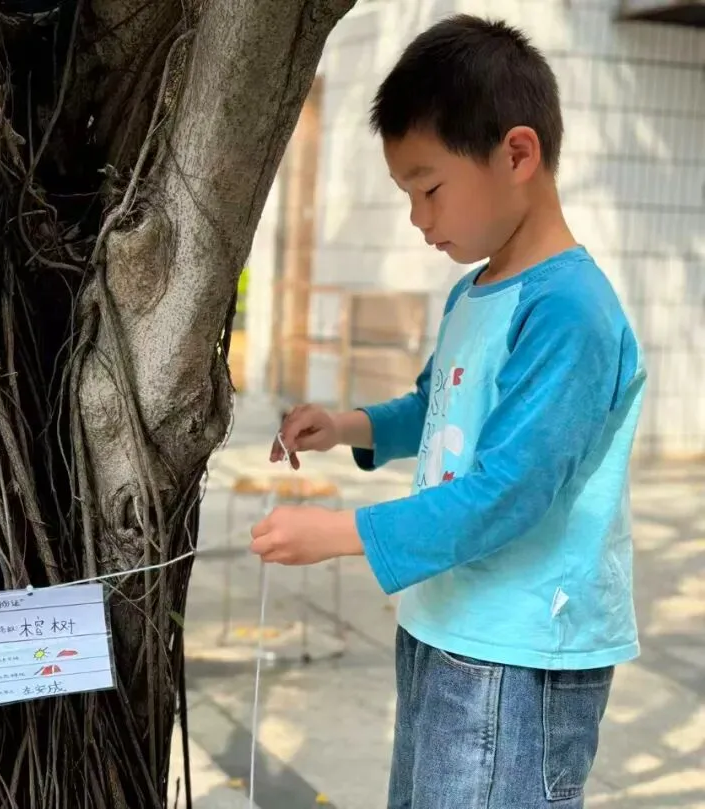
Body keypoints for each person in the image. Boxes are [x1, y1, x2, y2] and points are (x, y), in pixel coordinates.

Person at [249, 14, 647, 809]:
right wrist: (348, 425)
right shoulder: (475, 291)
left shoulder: (569, 310)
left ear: (517, 155)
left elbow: (509, 490)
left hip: (519, 648)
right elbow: (438, 406)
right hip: (446, 619)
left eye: (429, 188)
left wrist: (341, 533)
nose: (418, 218)